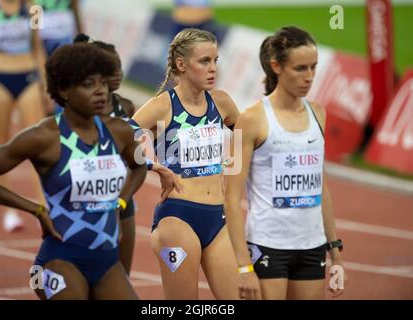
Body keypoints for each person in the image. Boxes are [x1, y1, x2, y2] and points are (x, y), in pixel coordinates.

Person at [0, 43, 147, 300]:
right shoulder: (43, 137)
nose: (100, 92)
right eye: (88, 84)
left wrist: (120, 200)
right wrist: (35, 209)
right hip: (58, 262)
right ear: (64, 90)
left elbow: (140, 167)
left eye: (102, 83)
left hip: (107, 262)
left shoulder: (119, 132)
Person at [224, 26, 346, 300]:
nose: (310, 77)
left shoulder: (318, 114)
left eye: (314, 67)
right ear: (276, 66)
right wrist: (244, 267)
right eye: (300, 68)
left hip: (312, 247)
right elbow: (231, 197)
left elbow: (321, 187)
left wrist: (335, 254)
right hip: (268, 246)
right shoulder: (251, 119)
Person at [129, 28, 240, 299]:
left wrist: (233, 163)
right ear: (182, 64)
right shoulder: (163, 106)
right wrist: (153, 167)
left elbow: (248, 137)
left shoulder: (222, 103)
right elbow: (119, 137)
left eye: (215, 60)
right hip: (178, 219)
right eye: (204, 61)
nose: (213, 68)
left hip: (218, 219)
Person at [73, 33, 182, 276]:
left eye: (120, 66)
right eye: (113, 69)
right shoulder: (81, 109)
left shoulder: (127, 107)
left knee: (122, 275)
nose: (120, 73)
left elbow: (136, 153)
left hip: (123, 196)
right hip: (86, 199)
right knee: (84, 276)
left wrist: (157, 164)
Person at [0, 0, 48, 231]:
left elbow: (38, 48)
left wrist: (46, 85)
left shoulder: (34, 8)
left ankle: (44, 207)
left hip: (28, 77)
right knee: (2, 146)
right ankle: (10, 212)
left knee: (37, 144)